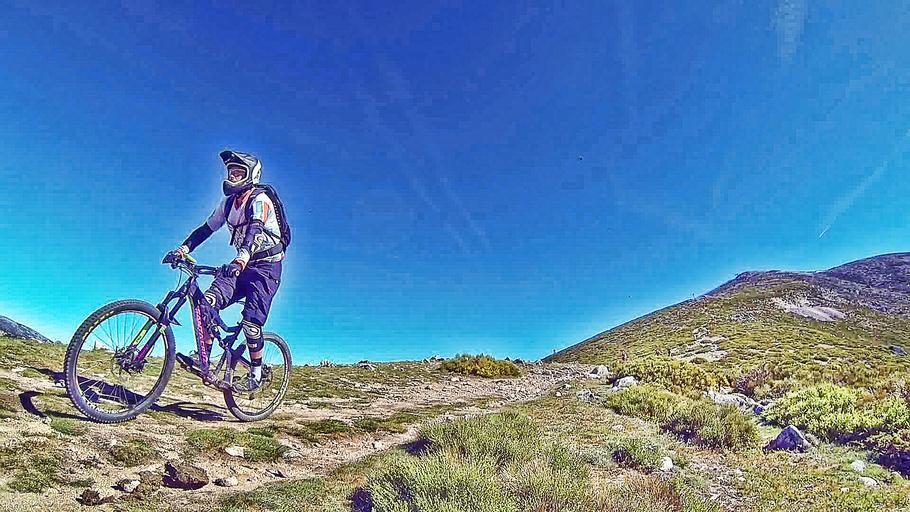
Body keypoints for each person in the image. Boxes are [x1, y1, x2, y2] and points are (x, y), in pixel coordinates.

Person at [169, 150, 289, 391]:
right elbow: (206, 229)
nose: (233, 177)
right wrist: (183, 249)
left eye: (238, 172)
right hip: (240, 265)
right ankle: (203, 357)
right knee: (206, 303)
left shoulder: (261, 200)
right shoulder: (227, 204)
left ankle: (256, 375)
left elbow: (255, 231)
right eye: (231, 172)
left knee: (251, 324)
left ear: (251, 175)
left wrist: (241, 259)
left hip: (266, 268)